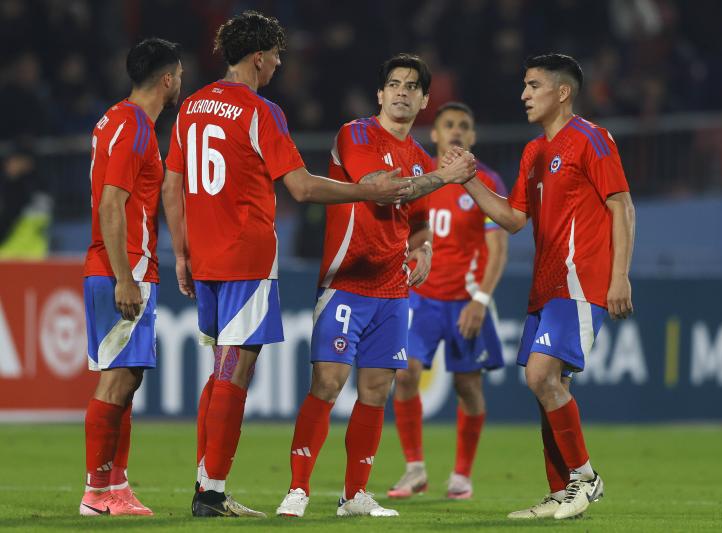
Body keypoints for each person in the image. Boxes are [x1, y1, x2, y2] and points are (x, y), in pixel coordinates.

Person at [162, 11, 409, 518]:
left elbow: (172, 183)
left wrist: (181, 252)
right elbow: (301, 187)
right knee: (235, 372)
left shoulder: (191, 106)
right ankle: (211, 493)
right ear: (258, 57)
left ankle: (206, 484)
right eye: (276, 56)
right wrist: (367, 190)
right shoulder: (261, 110)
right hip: (246, 258)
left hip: (204, 257)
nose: (278, 64)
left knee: (220, 371)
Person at [275, 54, 475, 519]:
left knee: (376, 391)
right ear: (380, 94)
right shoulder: (357, 134)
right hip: (347, 281)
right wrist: (444, 176)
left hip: (392, 290)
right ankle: (298, 488)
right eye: (394, 84)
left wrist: (425, 249)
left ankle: (355, 495)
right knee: (327, 383)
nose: (403, 91)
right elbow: (379, 188)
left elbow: (418, 221)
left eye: (412, 86)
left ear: (424, 100)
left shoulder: (419, 157)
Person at [452, 53, 635, 520]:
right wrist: (469, 181)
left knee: (540, 376)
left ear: (562, 91)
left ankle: (585, 479)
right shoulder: (534, 152)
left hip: (580, 280)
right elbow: (514, 218)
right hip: (546, 286)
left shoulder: (591, 138)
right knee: (549, 386)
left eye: (533, 85)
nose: (524, 94)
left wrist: (620, 275)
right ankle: (559, 491)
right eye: (525, 85)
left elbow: (621, 205)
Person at [80, 38, 182, 516]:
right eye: (179, 77)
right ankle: (96, 492)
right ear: (167, 79)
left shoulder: (117, 119)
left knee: (129, 377)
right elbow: (111, 204)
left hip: (128, 264)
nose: (180, 85)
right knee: (117, 380)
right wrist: (124, 277)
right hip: (123, 266)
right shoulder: (134, 125)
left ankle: (115, 487)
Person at [388, 102, 509, 500]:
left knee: (467, 386)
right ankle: (414, 469)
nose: (456, 130)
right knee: (405, 374)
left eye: (464, 125)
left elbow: (498, 249)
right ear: (435, 134)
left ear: (472, 136)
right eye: (449, 125)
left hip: (465, 301)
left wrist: (481, 300)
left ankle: (461, 475)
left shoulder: (487, 181)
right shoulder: (421, 176)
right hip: (421, 299)